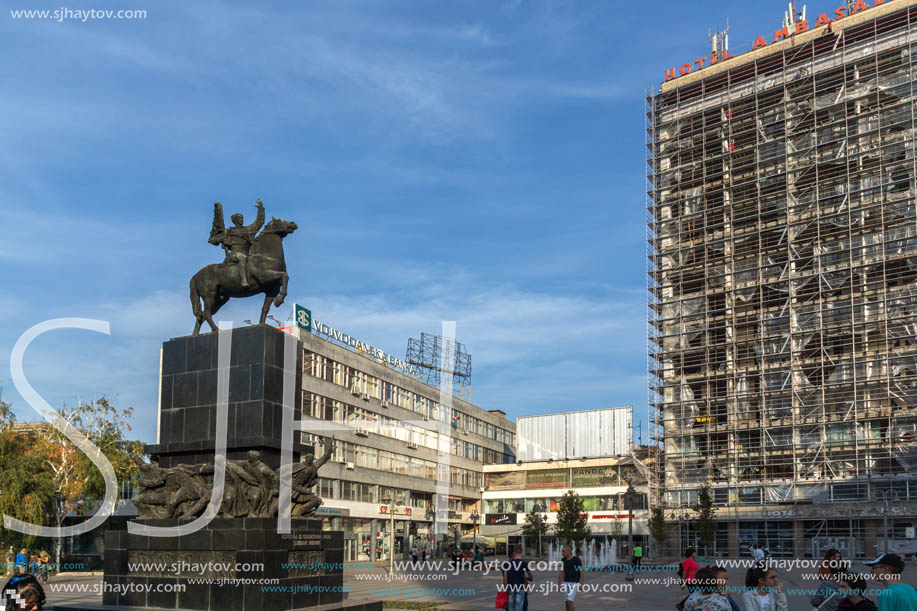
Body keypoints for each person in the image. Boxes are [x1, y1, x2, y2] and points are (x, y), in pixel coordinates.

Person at [502, 546, 531, 611]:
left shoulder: (507, 564)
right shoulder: (524, 563)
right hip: (520, 587)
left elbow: (505, 577)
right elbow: (530, 576)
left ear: (514, 553)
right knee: (519, 606)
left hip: (510, 587)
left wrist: (506, 588)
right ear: (521, 552)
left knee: (511, 606)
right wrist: (528, 578)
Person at [557, 545, 583, 611]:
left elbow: (581, 572)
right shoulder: (563, 560)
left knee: (569, 601)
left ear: (569, 551)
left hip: (574, 583)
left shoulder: (577, 560)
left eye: (563, 551)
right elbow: (561, 573)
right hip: (565, 582)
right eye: (562, 551)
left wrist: (581, 584)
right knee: (566, 602)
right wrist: (559, 585)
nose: (562, 553)